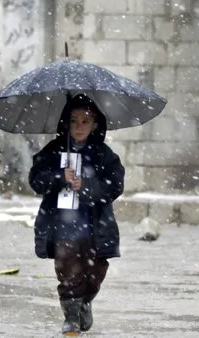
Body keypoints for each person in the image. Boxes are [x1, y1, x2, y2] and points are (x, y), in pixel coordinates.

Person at [29, 94, 125, 336]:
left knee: (96, 270)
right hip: (62, 223)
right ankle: (71, 316)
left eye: (85, 121)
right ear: (66, 123)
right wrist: (60, 177)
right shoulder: (54, 150)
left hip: (95, 223)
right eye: (74, 121)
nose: (79, 126)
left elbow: (115, 185)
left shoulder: (103, 154)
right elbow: (36, 179)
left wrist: (88, 186)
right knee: (67, 268)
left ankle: (85, 300)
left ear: (95, 124)